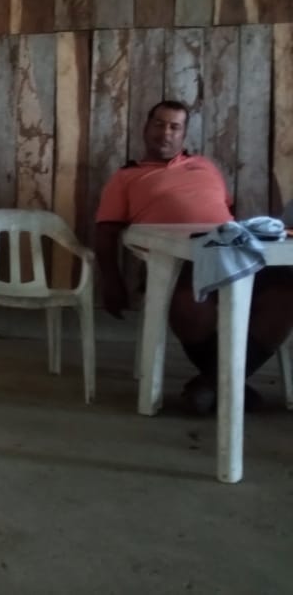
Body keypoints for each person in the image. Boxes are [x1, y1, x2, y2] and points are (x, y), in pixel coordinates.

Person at [95, 99, 293, 414]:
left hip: (230, 250)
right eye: (159, 124)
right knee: (190, 303)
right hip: (178, 258)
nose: (166, 133)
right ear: (146, 128)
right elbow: (106, 232)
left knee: (285, 293)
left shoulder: (205, 166)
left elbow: (226, 212)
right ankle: (227, 386)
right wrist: (111, 281)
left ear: (183, 134)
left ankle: (211, 383)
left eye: (174, 127)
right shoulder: (126, 177)